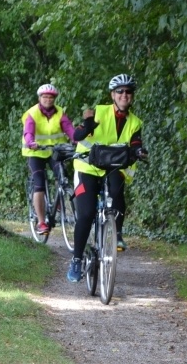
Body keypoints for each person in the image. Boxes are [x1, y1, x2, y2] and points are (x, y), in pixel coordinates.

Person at [66, 74, 148, 283]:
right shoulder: (100, 112)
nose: (124, 95)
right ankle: (76, 260)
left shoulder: (135, 122)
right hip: (87, 167)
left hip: (113, 168)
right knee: (86, 214)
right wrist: (87, 125)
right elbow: (77, 136)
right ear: (113, 95)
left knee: (117, 192)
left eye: (128, 92)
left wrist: (139, 151)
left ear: (132, 96)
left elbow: (135, 142)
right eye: (120, 91)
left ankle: (117, 234)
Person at [22, 83, 76, 234]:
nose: (48, 100)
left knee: (63, 176)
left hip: (54, 151)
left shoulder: (60, 113)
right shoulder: (32, 113)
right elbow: (28, 131)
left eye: (51, 97)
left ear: (54, 99)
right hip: (35, 152)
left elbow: (69, 129)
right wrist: (31, 142)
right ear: (40, 98)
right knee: (39, 184)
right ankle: (41, 222)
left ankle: (59, 200)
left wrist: (76, 140)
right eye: (45, 97)